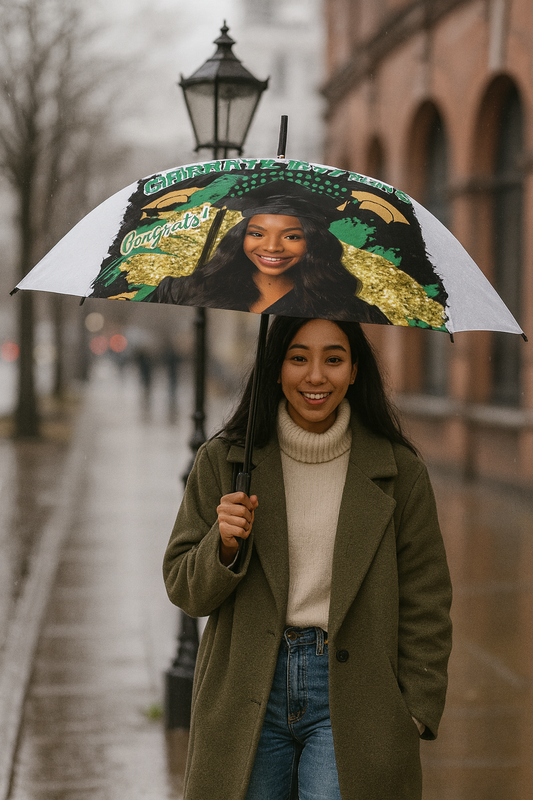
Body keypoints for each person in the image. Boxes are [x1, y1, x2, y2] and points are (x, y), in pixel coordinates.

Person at [163, 316, 452, 800]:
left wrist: (414, 710)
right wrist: (223, 545)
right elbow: (183, 587)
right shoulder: (225, 461)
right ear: (276, 369)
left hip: (356, 692)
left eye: (333, 359)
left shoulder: (400, 472)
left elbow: (427, 598)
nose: (316, 376)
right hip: (248, 686)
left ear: (354, 370)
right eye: (298, 358)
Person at [152, 196, 390, 324]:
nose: (272, 247)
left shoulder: (350, 311)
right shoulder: (181, 291)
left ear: (313, 243)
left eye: (291, 236)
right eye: (257, 234)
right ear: (240, 237)